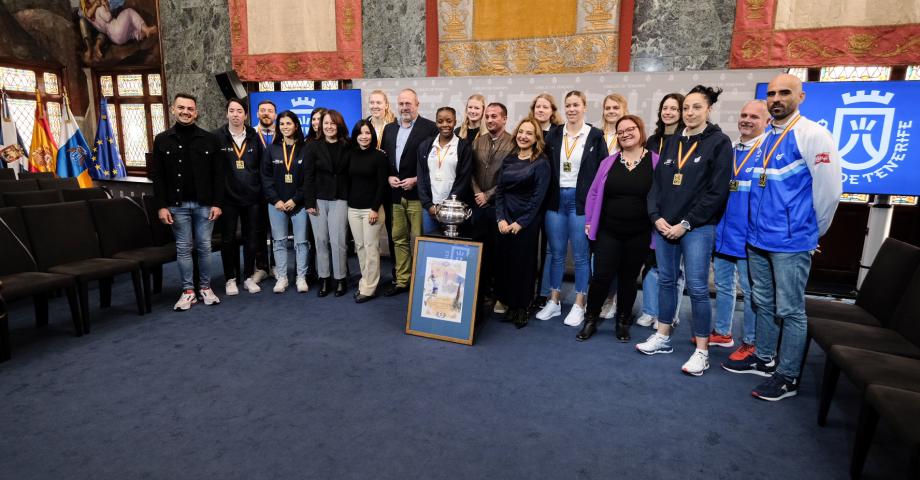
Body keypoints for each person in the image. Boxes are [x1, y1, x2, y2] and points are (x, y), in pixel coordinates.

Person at [723, 74, 842, 401]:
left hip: (791, 243)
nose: (777, 98)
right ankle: (764, 359)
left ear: (800, 97)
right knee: (762, 302)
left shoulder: (813, 135)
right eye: (772, 93)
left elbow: (830, 192)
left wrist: (811, 232)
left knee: (790, 310)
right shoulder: (767, 138)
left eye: (784, 93)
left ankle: (787, 376)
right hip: (757, 240)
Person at [637, 85, 732, 378]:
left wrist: (686, 224)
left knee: (699, 288)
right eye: (686, 108)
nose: (689, 113)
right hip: (665, 226)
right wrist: (656, 217)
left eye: (696, 108)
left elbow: (717, 192)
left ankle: (702, 351)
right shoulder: (673, 141)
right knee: (666, 280)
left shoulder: (719, 142)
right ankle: (663, 336)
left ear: (708, 110)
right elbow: (657, 186)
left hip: (697, 228)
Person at [580, 115, 655, 343]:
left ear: (640, 131)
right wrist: (590, 220)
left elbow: (662, 196)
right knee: (601, 277)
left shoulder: (656, 161)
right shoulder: (609, 162)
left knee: (628, 279)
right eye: (620, 131)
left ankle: (623, 321)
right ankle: (591, 319)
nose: (625, 134)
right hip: (608, 231)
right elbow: (593, 193)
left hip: (639, 233)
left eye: (630, 129)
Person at [535, 91, 606, 327]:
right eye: (568, 105)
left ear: (585, 107)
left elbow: (602, 172)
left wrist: (596, 206)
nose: (572, 109)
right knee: (555, 254)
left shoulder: (595, 136)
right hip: (556, 200)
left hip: (581, 202)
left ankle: (579, 303)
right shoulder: (555, 135)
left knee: (581, 256)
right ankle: (554, 301)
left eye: (576, 105)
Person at [148, 93, 223, 311]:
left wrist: (217, 203)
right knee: (183, 248)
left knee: (204, 246)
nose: (186, 112)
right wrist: (161, 206)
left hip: (205, 205)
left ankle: (206, 288)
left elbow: (218, 174)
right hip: (176, 206)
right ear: (173, 109)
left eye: (190, 108)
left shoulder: (210, 139)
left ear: (196, 112)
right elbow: (158, 176)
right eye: (181, 108)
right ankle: (188, 291)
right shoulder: (162, 139)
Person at [710, 100, 769, 357]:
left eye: (754, 117)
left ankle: (752, 341)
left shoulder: (768, 150)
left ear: (767, 122)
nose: (746, 119)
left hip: (751, 237)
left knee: (751, 292)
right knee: (723, 286)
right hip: (724, 233)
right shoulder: (730, 149)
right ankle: (723, 332)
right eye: (743, 114)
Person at [379, 89, 438, 296]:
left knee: (419, 240)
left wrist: (416, 180)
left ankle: (422, 282)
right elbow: (385, 160)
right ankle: (402, 281)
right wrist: (388, 176)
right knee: (399, 239)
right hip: (395, 196)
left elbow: (436, 162)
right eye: (401, 103)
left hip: (417, 196)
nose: (404, 107)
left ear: (417, 104)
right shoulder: (389, 129)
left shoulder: (430, 128)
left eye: (408, 103)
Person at [494, 117, 551, 328]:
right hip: (504, 218)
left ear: (536, 138)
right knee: (504, 262)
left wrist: (520, 223)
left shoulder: (541, 163)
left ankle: (521, 307)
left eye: (529, 133)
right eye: (521, 132)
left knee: (523, 264)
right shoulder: (509, 159)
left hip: (526, 221)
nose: (523, 136)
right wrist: (500, 218)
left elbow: (538, 198)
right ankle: (508, 303)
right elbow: (499, 190)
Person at [636, 93, 686, 328]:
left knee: (672, 268)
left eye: (673, 109)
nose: (668, 112)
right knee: (650, 263)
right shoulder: (653, 141)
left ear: (681, 113)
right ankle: (649, 310)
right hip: (652, 210)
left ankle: (669, 314)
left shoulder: (687, 140)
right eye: (665, 108)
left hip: (676, 211)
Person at [212, 98, 265, 296]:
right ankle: (230, 278)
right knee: (228, 240)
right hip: (227, 199)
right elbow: (214, 170)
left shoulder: (253, 135)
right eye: (232, 110)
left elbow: (261, 166)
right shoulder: (217, 137)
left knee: (251, 238)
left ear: (245, 115)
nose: (235, 114)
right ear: (227, 113)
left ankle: (249, 277)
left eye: (239, 111)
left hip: (251, 198)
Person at [471, 102, 516, 311]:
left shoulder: (513, 143)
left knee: (501, 254)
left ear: (504, 119)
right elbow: (468, 170)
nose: (489, 120)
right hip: (478, 207)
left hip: (500, 207)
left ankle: (501, 296)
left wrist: (488, 195)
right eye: (487, 116)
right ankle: (482, 294)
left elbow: (511, 177)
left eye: (494, 116)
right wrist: (477, 192)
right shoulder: (477, 141)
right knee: (481, 252)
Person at [262, 111, 310, 294]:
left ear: (296, 125)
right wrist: (276, 200)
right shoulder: (271, 149)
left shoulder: (305, 149)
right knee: (279, 241)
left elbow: (309, 179)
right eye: (281, 124)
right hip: (277, 205)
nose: (285, 127)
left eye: (288, 123)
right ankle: (282, 277)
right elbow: (265, 178)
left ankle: (301, 277)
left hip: (299, 204)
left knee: (301, 242)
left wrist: (295, 199)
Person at [305, 109, 351, 297]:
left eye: (333, 123)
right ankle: (324, 279)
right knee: (321, 240)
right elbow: (307, 176)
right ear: (320, 126)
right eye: (326, 123)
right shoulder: (312, 146)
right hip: (317, 199)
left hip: (340, 198)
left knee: (338, 240)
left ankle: (340, 279)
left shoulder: (348, 146)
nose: (329, 126)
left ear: (339, 125)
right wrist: (309, 201)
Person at [595, 93, 630, 320]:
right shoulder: (596, 135)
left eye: (615, 107)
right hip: (599, 200)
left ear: (623, 109)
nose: (611, 111)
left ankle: (615, 298)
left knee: (620, 256)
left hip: (620, 200)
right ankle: (602, 297)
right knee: (600, 255)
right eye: (607, 108)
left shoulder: (628, 136)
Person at [346, 120, 389, 303]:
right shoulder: (350, 154)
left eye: (368, 133)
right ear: (355, 135)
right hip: (353, 209)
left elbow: (382, 185)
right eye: (360, 133)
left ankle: (369, 288)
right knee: (360, 248)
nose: (364, 136)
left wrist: (374, 208)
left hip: (372, 210)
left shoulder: (379, 156)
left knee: (371, 248)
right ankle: (365, 281)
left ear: (373, 135)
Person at [528, 93, 564, 310]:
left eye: (545, 107)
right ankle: (527, 290)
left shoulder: (559, 134)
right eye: (537, 106)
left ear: (552, 111)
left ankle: (544, 293)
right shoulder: (526, 132)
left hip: (551, 198)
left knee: (549, 249)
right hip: (529, 199)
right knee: (529, 247)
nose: (540, 110)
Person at [417, 107, 473, 235]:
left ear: (455, 122)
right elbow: (420, 177)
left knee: (450, 249)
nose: (445, 125)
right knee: (431, 247)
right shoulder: (425, 146)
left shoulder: (463, 147)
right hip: (429, 209)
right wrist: (429, 205)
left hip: (452, 210)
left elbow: (463, 180)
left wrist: (445, 207)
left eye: (449, 121)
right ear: (436, 123)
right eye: (440, 121)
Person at [250, 100, 276, 288]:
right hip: (256, 191)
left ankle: (276, 265)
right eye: (263, 110)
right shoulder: (250, 134)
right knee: (258, 229)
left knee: (277, 230)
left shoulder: (282, 134)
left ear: (275, 114)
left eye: (270, 111)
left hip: (277, 191)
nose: (266, 113)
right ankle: (261, 267)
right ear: (257, 114)